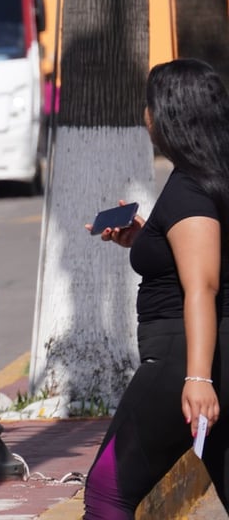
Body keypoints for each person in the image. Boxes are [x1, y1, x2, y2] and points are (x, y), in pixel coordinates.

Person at [82, 58, 229, 518]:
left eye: (149, 105)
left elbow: (201, 287)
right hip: (209, 351)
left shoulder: (190, 190)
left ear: (167, 114)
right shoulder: (210, 181)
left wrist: (197, 378)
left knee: (107, 491)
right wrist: (148, 236)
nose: (145, 116)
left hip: (181, 358)